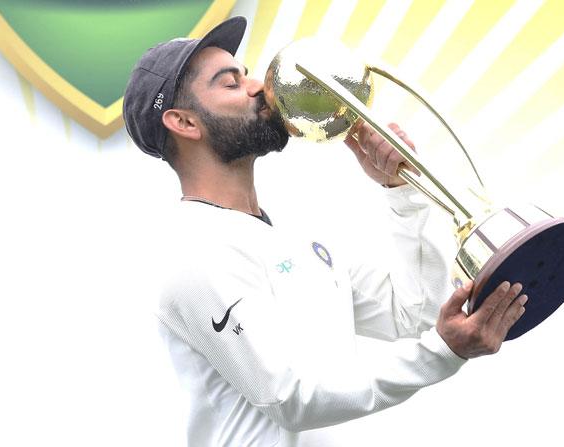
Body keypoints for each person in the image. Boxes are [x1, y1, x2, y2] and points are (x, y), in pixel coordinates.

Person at [123, 16, 527, 447]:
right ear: (184, 123)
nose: (259, 86)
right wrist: (442, 353)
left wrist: (400, 194)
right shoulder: (194, 254)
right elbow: (291, 398)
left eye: (245, 73)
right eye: (230, 84)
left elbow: (412, 314)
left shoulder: (296, 239)